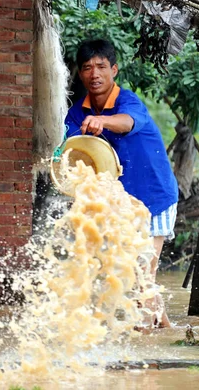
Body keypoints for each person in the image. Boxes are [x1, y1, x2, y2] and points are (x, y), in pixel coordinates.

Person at [64, 38, 179, 328]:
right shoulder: (77, 113)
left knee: (141, 275)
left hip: (155, 198)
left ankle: (147, 345)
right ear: (80, 74)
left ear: (113, 69)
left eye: (101, 66)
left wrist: (104, 122)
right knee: (140, 275)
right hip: (121, 205)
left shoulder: (128, 101)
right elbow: (70, 150)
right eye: (88, 68)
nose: (95, 74)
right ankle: (167, 331)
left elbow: (128, 122)